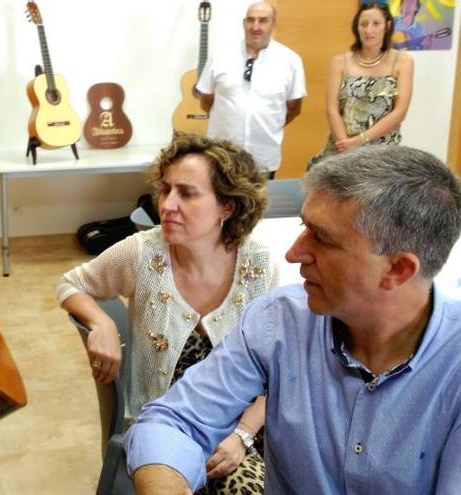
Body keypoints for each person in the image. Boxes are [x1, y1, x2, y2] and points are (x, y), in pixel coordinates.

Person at [124, 145, 461, 494]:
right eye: (305, 227)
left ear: (398, 269)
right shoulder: (279, 321)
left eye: (323, 238)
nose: (294, 252)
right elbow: (175, 421)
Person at [57, 132, 276, 492]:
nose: (167, 204)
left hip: (247, 424)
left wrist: (242, 435)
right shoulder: (143, 254)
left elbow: (279, 369)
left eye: (187, 193)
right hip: (169, 428)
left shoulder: (261, 266)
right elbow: (70, 284)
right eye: (166, 190)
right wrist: (102, 322)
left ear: (228, 207)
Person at [196, 2, 306, 179]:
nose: (255, 27)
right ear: (243, 23)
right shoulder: (220, 56)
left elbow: (294, 108)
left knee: (258, 205)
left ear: (273, 24)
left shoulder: (290, 61)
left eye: (263, 21)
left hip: (263, 158)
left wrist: (266, 123)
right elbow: (206, 99)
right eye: (251, 20)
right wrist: (230, 119)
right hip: (221, 156)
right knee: (219, 205)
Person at [308, 2, 413, 168]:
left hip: (383, 152)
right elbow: (332, 109)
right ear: (356, 27)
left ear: (387, 26)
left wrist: (361, 141)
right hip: (342, 146)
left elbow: (400, 112)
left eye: (376, 24)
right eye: (363, 24)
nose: (368, 30)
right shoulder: (340, 61)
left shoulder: (403, 61)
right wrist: (346, 145)